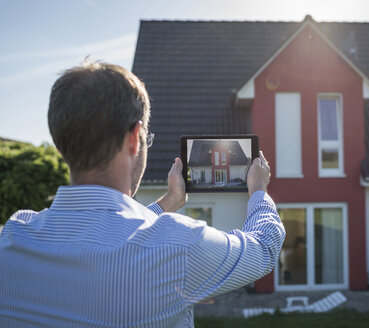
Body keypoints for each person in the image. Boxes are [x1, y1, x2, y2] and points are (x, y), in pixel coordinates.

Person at [0, 60, 285, 327]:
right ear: (135, 139)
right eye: (146, 138)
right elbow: (264, 249)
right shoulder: (180, 245)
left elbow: (107, 237)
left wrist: (167, 203)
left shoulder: (12, 238)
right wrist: (258, 190)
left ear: (60, 147)